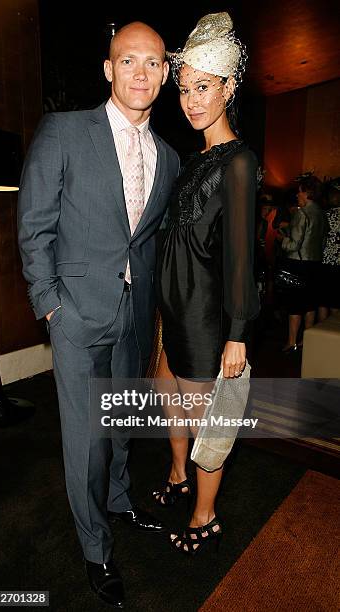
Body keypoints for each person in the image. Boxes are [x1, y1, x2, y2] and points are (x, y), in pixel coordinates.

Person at [18, 21, 179, 607]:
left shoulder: (168, 156)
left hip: (133, 318)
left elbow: (151, 242)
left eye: (155, 63)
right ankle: (95, 549)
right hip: (77, 317)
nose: (142, 72)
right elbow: (33, 227)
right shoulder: (64, 131)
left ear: (165, 74)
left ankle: (117, 501)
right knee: (85, 442)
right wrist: (51, 306)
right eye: (129, 60)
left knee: (120, 428)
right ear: (109, 69)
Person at [153, 12, 260, 555]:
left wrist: (237, 333)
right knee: (167, 401)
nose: (192, 100)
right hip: (170, 310)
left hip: (204, 316)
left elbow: (242, 256)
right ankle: (176, 476)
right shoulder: (195, 160)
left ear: (229, 87)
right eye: (186, 88)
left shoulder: (238, 161)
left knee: (208, 427)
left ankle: (205, 511)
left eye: (204, 88)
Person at [276, 175, 328, 352]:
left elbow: (293, 244)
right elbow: (322, 242)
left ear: (307, 192)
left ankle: (292, 343)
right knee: (310, 304)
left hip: (298, 264)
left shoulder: (302, 213)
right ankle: (307, 340)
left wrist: (282, 239)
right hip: (315, 264)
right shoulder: (322, 213)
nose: (297, 195)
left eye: (299, 191)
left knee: (295, 305)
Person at [318, 178, 340, 320]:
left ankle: (326, 336)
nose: (331, 196)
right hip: (327, 264)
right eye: (330, 193)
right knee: (329, 301)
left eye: (335, 193)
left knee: (326, 301)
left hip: (328, 264)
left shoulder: (325, 215)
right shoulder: (325, 214)